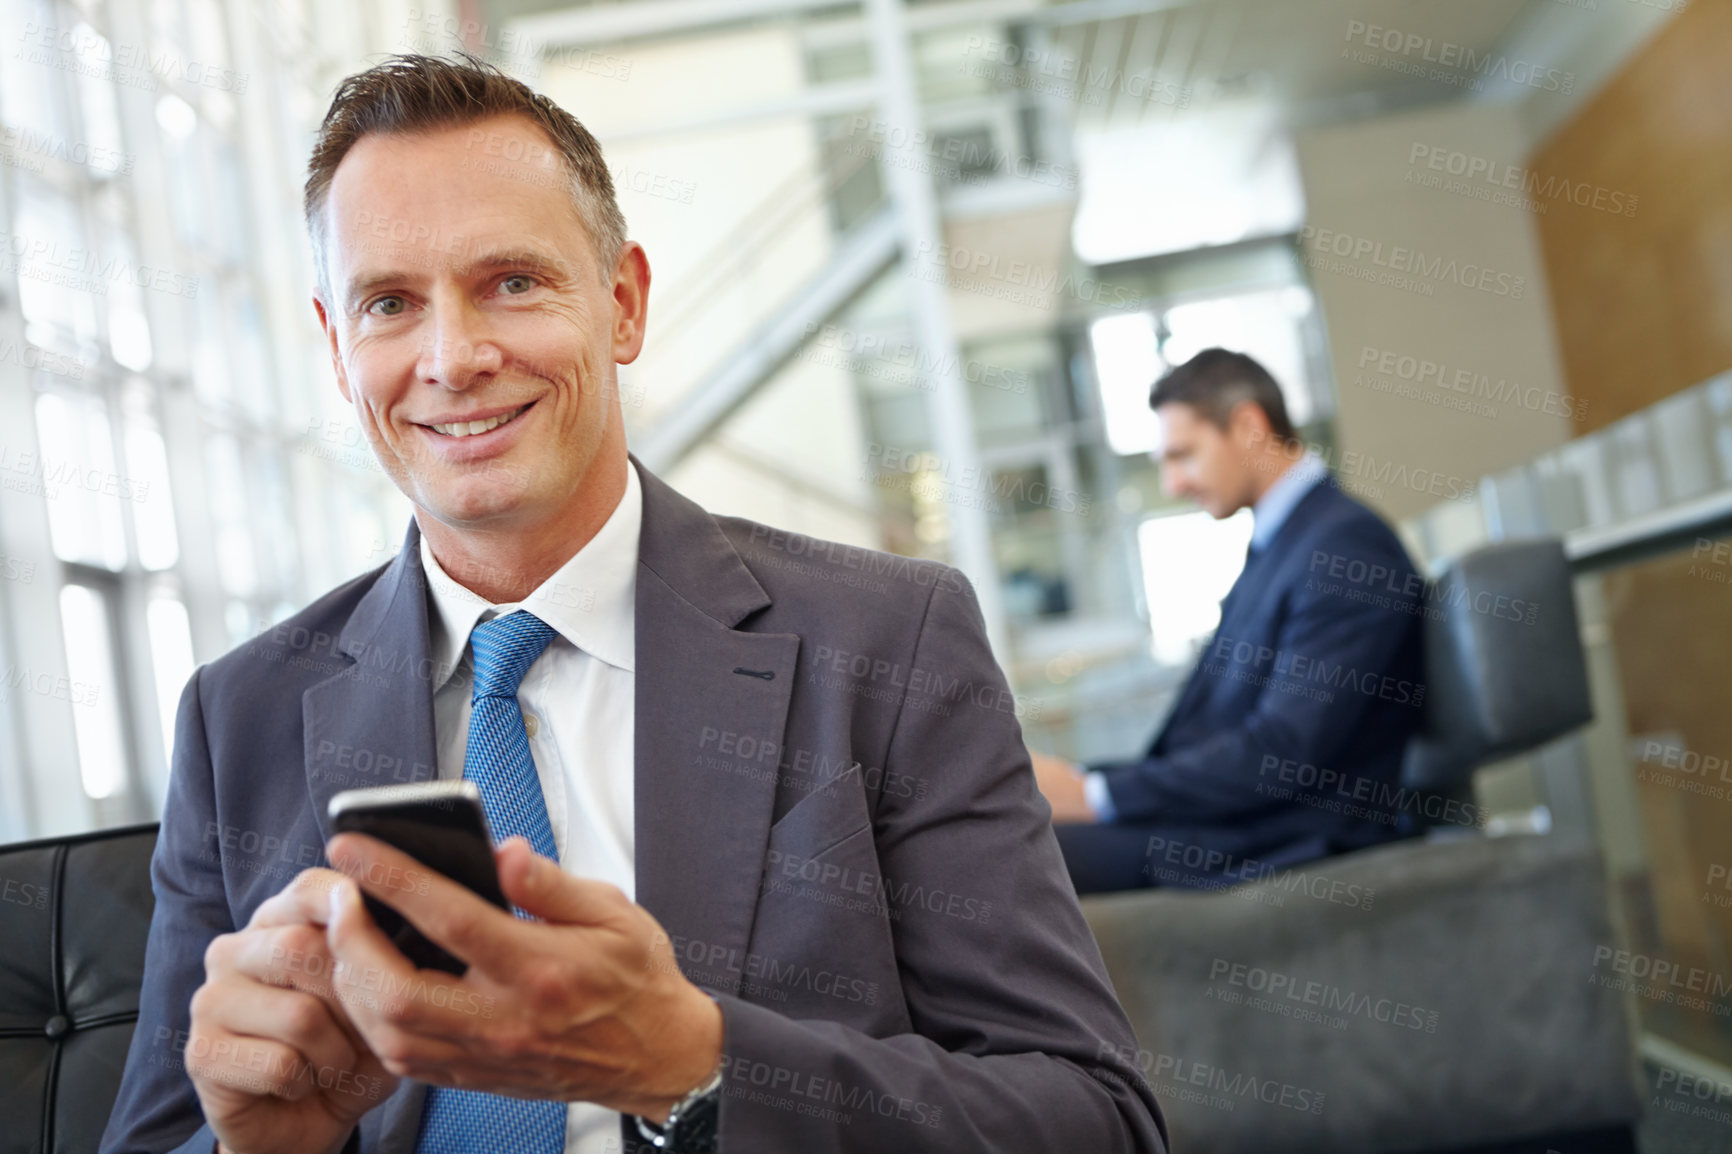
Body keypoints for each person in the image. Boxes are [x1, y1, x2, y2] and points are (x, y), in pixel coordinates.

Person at [100, 55, 1165, 1154]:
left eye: (512, 281)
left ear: (621, 303)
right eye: (389, 303)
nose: (453, 357)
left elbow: (1095, 1116)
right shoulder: (241, 718)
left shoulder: (889, 641)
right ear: (336, 347)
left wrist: (696, 1062)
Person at [1033, 349, 1425, 895]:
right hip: (1238, 820)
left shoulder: (1346, 547)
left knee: (1009, 860)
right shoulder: (1287, 543)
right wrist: (1082, 784)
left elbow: (1285, 750)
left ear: (1247, 426)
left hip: (1289, 835)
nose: (1172, 483)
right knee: (1009, 837)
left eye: (1184, 456)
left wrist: (1096, 796)